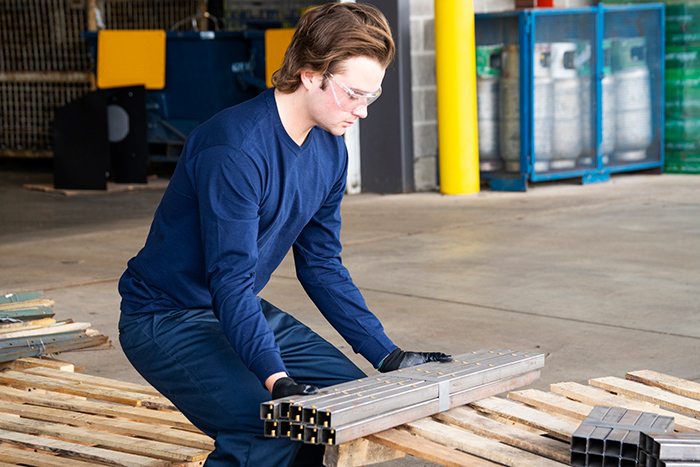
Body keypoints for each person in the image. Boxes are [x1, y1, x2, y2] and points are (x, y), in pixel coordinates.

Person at [117, 3, 451, 466]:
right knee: (273, 420)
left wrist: (385, 354)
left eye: (371, 98)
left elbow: (321, 265)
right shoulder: (235, 150)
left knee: (348, 403)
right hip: (165, 317)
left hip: (232, 307)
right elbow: (230, 278)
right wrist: (277, 379)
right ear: (310, 75)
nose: (363, 112)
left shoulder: (330, 150)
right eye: (354, 94)